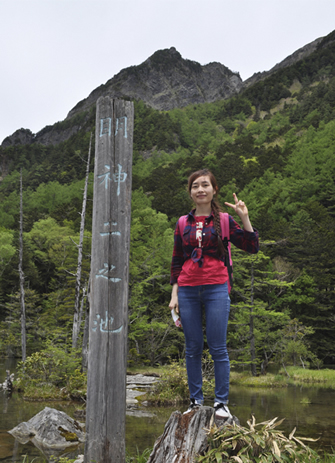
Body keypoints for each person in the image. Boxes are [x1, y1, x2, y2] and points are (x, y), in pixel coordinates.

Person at [169, 169, 259, 419]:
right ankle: (195, 401)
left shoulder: (225, 221)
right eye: (195, 186)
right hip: (187, 289)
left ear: (214, 190)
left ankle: (221, 403)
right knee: (193, 347)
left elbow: (252, 247)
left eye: (205, 185)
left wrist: (245, 217)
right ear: (190, 192)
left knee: (218, 347)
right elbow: (177, 260)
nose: (200, 189)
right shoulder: (182, 223)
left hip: (217, 287)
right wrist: (174, 294)